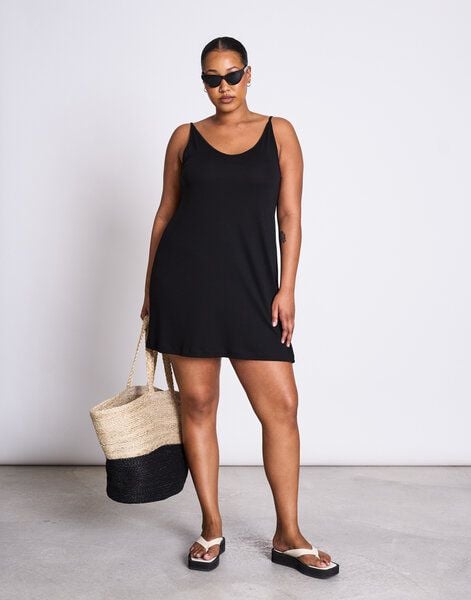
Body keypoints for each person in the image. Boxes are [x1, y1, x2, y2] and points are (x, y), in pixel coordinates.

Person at [141, 36, 339, 578]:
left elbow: (290, 217)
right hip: (186, 288)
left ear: (249, 74)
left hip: (254, 289)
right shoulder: (185, 137)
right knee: (198, 405)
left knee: (282, 407)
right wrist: (150, 287)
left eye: (232, 75)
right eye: (212, 78)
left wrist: (287, 288)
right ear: (203, 82)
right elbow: (165, 214)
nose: (223, 87)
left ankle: (288, 534)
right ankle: (211, 526)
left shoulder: (280, 132)